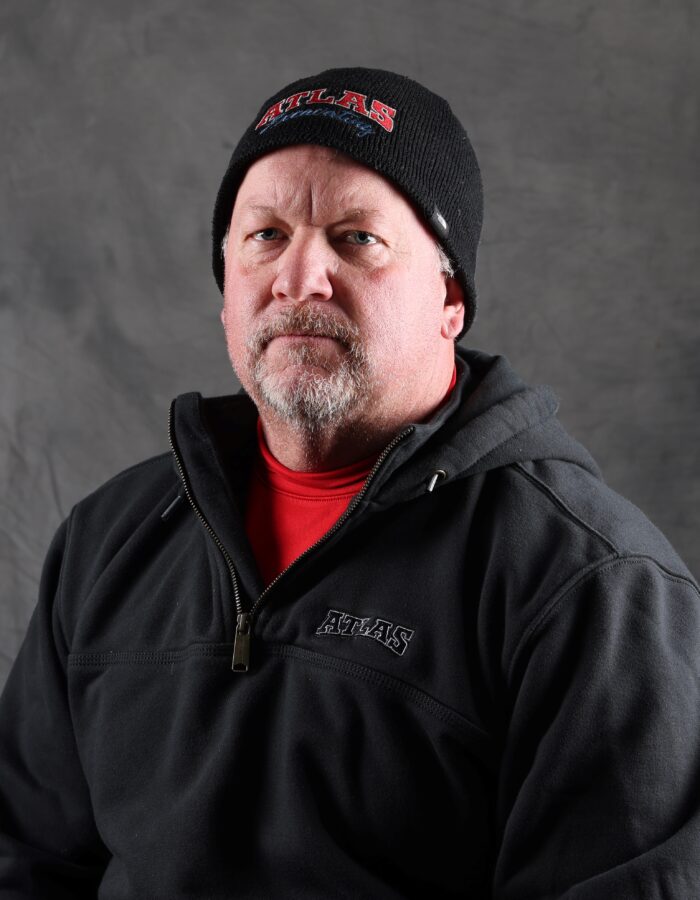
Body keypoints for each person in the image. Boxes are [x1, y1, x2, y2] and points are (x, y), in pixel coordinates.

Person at [0, 67, 698, 899]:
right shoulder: (111, 538)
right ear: (225, 282)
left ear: (450, 297)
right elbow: (26, 866)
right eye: (264, 235)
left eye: (354, 237)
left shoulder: (590, 587)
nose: (300, 279)